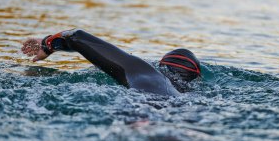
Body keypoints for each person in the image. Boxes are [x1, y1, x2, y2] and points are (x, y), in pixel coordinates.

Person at [21, 29, 201, 96]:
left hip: (141, 113)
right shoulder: (194, 101)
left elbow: (76, 36)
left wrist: (47, 44)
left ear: (161, 66)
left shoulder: (145, 72)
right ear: (195, 80)